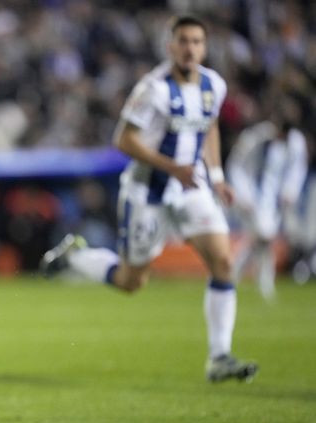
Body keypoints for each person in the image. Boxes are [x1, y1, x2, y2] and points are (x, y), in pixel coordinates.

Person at [40, 15, 257, 383]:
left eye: (196, 42)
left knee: (223, 261)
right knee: (131, 281)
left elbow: (209, 127)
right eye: (183, 41)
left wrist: (217, 176)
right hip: (148, 191)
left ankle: (219, 357)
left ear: (205, 48)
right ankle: (75, 256)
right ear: (170, 46)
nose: (190, 49)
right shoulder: (154, 89)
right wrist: (172, 167)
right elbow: (124, 140)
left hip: (191, 187)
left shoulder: (213, 85)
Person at [227, 97, 309, 301]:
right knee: (264, 236)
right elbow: (236, 166)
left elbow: (297, 169)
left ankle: (234, 277)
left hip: (275, 200)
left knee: (259, 240)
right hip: (251, 196)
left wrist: (290, 192)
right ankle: (264, 285)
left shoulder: (295, 142)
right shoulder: (255, 137)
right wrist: (243, 195)